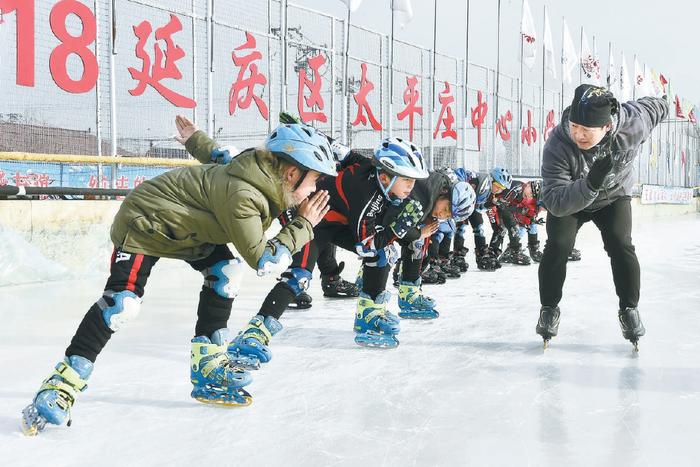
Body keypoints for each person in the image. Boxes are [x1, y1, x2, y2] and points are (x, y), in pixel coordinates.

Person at [21, 118, 336, 435]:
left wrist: (194, 138)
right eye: (314, 180)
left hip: (189, 231)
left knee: (225, 272)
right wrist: (305, 225)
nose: (316, 189)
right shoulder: (245, 195)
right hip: (144, 223)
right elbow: (264, 261)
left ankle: (207, 367)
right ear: (291, 173)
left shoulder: (256, 171)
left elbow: (220, 156)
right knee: (122, 304)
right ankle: (61, 384)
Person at [248, 136, 429, 350]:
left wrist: (315, 135)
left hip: (335, 219)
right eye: (407, 179)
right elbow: (367, 245)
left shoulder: (369, 166)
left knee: (383, 254)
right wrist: (396, 230)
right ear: (386, 177)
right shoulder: (367, 199)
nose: (411, 186)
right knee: (299, 277)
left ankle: (369, 314)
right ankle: (254, 334)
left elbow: (342, 151)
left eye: (414, 180)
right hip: (311, 220)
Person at [535, 84, 668, 350]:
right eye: (574, 126)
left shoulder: (633, 124)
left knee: (621, 243)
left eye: (586, 130)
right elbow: (555, 202)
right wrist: (590, 184)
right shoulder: (558, 144)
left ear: (607, 126)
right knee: (558, 244)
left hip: (614, 197)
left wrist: (665, 101)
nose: (577, 134)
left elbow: (654, 108)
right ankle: (549, 307)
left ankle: (629, 309)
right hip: (571, 199)